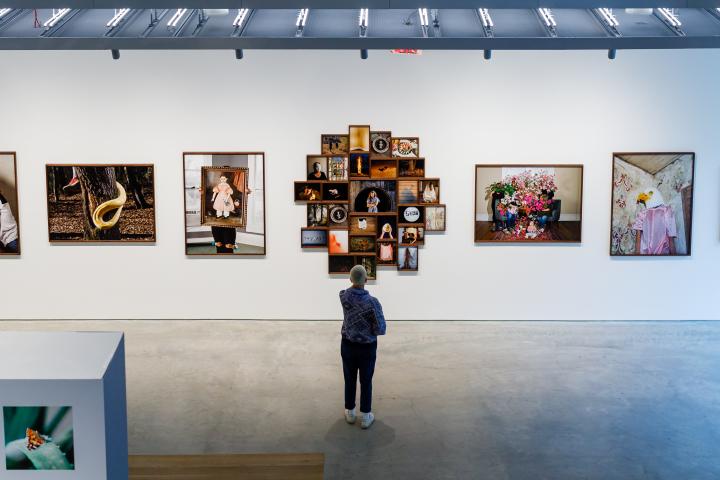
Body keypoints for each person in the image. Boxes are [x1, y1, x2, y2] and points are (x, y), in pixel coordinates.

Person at [339, 265, 386, 430]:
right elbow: (381, 328)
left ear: (350, 280)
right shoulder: (373, 303)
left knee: (349, 378)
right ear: (366, 280)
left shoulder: (344, 297)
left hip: (347, 345)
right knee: (366, 380)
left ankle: (350, 412)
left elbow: (347, 291)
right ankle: (366, 416)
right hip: (367, 347)